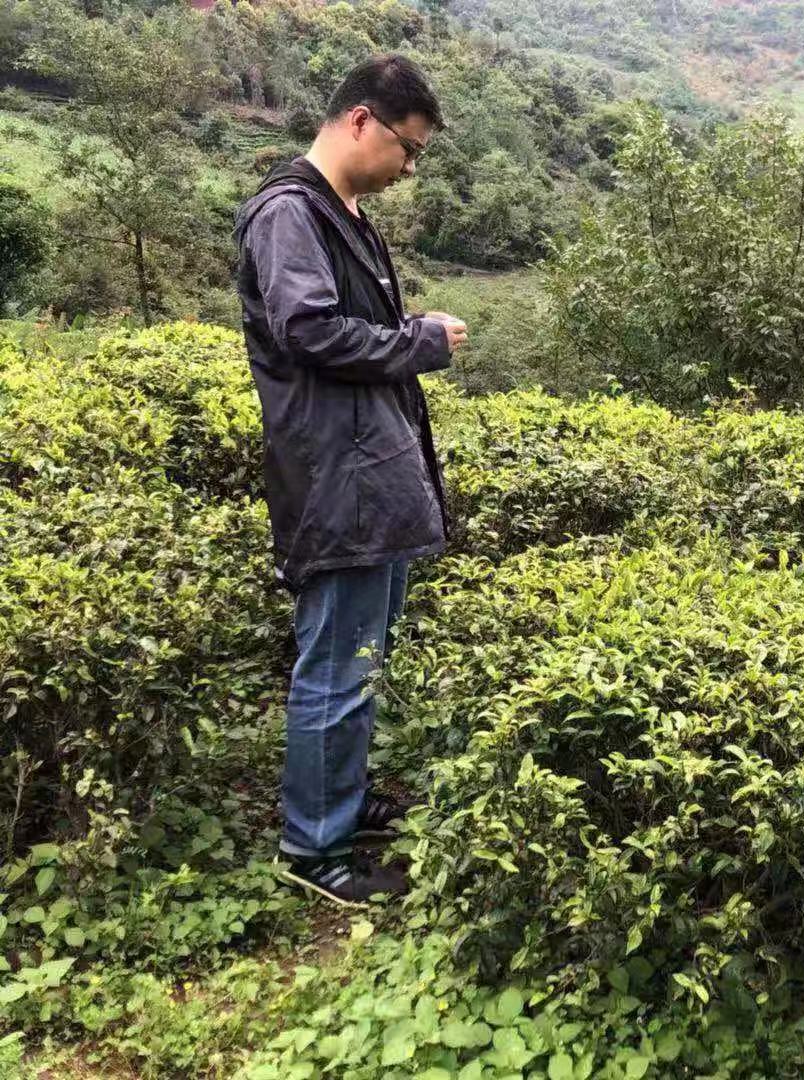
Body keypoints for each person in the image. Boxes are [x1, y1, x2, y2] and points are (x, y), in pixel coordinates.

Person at [233, 54, 467, 907]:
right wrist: (421, 341)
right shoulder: (290, 213)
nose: (410, 168)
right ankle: (312, 849)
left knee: (362, 659)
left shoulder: (346, 215)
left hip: (372, 477)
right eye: (409, 148)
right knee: (336, 665)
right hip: (338, 485)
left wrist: (409, 334)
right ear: (362, 120)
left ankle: (342, 797)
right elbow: (307, 330)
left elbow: (349, 333)